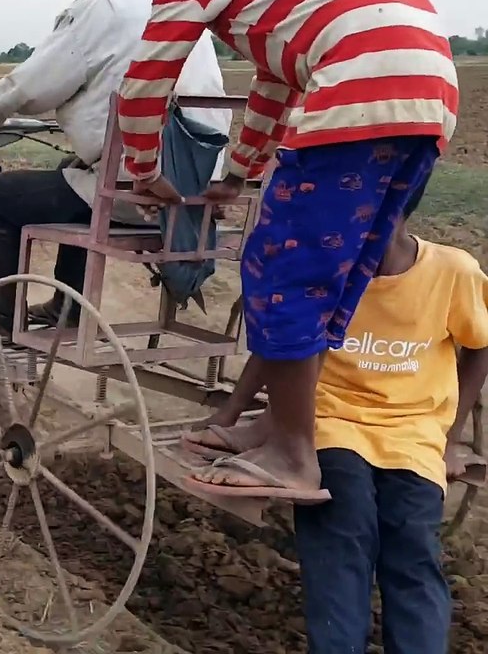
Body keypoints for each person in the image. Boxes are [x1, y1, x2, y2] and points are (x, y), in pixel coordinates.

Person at [114, 0, 459, 500]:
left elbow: (147, 81)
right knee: (340, 268)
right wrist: (239, 173)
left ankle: (294, 454)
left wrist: (144, 169)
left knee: (281, 269)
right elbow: (275, 86)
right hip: (430, 92)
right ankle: (279, 423)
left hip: (359, 82)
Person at [204, 184, 488, 653]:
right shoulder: (329, 273)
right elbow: (282, 347)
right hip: (332, 420)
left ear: (398, 220)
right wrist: (231, 413)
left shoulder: (452, 272)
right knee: (342, 532)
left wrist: (451, 438)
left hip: (414, 433)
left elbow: (479, 347)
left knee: (413, 546)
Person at [0, 0, 231, 337]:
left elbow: (22, 90)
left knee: (4, 194)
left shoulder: (101, 6)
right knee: (74, 171)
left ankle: (3, 322)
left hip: (144, 191)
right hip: (197, 188)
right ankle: (67, 304)